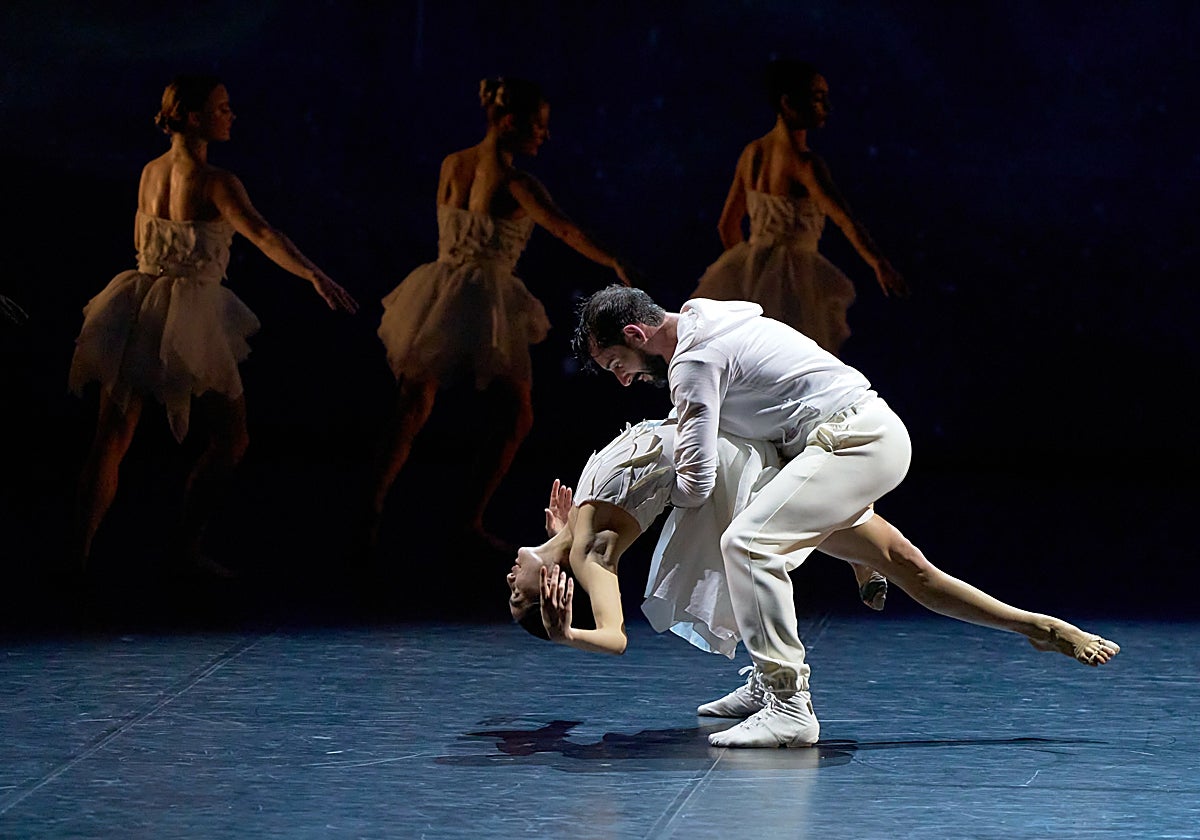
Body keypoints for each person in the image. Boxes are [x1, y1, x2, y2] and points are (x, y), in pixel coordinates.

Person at [572, 286, 1119, 748]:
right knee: (908, 567)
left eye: (616, 364)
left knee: (748, 543)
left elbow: (697, 482)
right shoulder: (706, 317)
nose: (622, 380)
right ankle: (1040, 627)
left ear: (637, 336)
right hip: (843, 445)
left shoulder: (694, 362)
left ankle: (788, 703)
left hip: (853, 444)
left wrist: (647, 484)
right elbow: (783, 414)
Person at [67, 73, 358, 573]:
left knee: (112, 438)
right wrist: (312, 273)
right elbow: (264, 234)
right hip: (190, 313)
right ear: (196, 117)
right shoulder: (217, 182)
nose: (232, 115)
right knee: (232, 438)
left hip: (136, 303)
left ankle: (79, 553)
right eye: (222, 108)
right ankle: (184, 546)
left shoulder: (149, 171)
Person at [365, 77, 631, 556]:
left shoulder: (453, 163)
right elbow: (564, 229)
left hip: (439, 289)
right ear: (509, 122)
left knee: (415, 402)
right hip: (485, 298)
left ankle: (371, 506)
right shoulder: (515, 182)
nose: (544, 136)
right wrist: (614, 261)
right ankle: (465, 519)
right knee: (516, 411)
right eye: (538, 126)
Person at [507, 417, 887, 655]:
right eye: (516, 594)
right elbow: (616, 638)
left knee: (808, 498)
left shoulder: (575, 537)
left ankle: (858, 542)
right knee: (808, 507)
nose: (509, 579)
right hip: (717, 459)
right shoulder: (588, 556)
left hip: (700, 429)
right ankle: (860, 547)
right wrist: (566, 634)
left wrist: (560, 537)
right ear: (550, 588)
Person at [690, 60, 907, 356]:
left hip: (754, 267)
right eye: (817, 98)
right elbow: (844, 219)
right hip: (796, 278)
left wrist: (746, 277)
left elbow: (727, 225)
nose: (826, 106)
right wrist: (878, 262)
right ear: (788, 102)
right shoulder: (804, 164)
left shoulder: (752, 153)